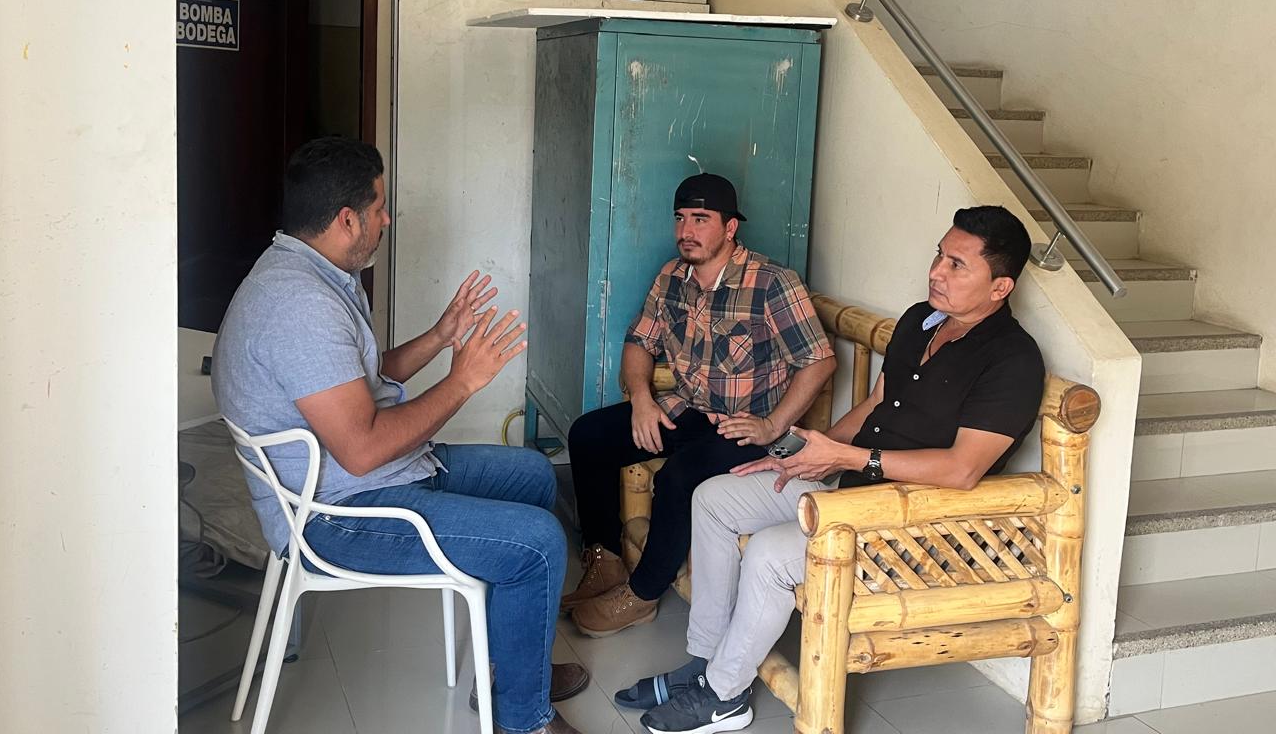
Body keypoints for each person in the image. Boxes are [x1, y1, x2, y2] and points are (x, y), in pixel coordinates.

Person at [212, 137, 588, 734]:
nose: (386, 220)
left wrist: (439, 336)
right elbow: (362, 450)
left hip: (370, 478)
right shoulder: (299, 306)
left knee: (533, 475)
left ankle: (508, 671)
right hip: (337, 515)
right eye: (379, 207)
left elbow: (356, 382)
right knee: (539, 542)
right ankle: (524, 721)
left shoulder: (309, 272)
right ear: (347, 219)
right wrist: (462, 382)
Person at [623, 206, 1047, 734]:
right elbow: (876, 404)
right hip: (853, 488)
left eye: (957, 265)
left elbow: (963, 470)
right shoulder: (922, 320)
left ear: (1000, 287)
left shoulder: (1013, 360)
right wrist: (798, 455)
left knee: (771, 553)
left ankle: (725, 696)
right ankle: (707, 663)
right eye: (940, 255)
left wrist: (848, 459)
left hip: (917, 521)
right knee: (714, 497)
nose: (936, 271)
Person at [563, 173, 836, 638]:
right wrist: (642, 400)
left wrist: (772, 425)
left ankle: (643, 595)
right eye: (681, 218)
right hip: (688, 409)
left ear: (730, 228)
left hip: (745, 428)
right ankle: (605, 560)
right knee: (588, 436)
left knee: (679, 477)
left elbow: (820, 361)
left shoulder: (771, 282)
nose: (686, 231)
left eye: (701, 219)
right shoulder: (672, 276)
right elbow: (639, 342)